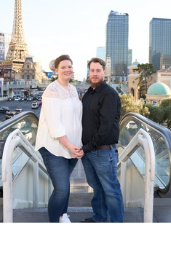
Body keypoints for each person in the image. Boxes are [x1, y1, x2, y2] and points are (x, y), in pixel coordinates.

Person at [35, 55, 83, 223]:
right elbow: (54, 124)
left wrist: (78, 144)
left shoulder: (73, 89)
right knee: (61, 189)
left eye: (69, 66)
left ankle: (63, 216)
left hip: (72, 147)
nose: (67, 69)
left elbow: (77, 118)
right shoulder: (52, 91)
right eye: (63, 67)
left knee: (65, 185)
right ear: (56, 70)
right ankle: (54, 221)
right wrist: (69, 145)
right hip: (53, 147)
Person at [79, 58, 124, 223]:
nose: (95, 73)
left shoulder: (108, 94)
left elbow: (105, 128)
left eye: (98, 70)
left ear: (104, 72)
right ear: (89, 72)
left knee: (111, 190)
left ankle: (116, 223)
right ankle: (99, 218)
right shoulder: (89, 93)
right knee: (97, 188)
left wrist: (87, 147)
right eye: (92, 70)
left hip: (103, 152)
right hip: (88, 151)